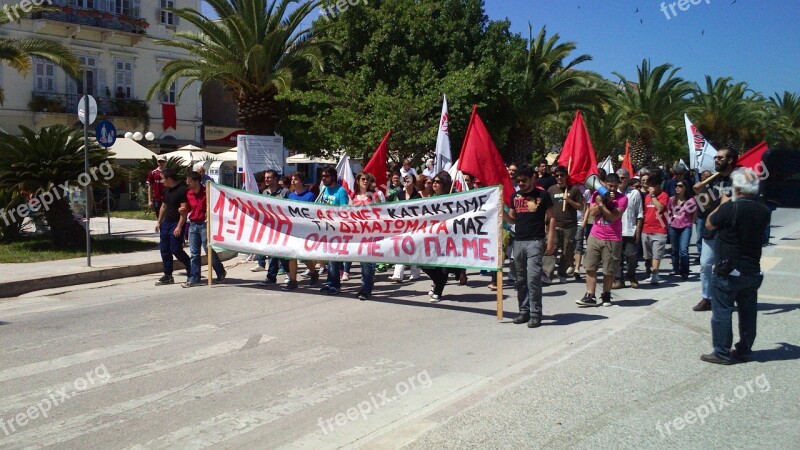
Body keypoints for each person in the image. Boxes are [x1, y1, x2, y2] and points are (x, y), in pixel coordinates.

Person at [701, 168, 770, 365]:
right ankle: (745, 349)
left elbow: (709, 224)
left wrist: (723, 203)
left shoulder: (730, 208)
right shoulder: (763, 210)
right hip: (752, 269)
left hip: (728, 268)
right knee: (748, 312)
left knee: (722, 311)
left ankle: (721, 352)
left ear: (737, 188)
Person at [504, 164, 555, 328]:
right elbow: (512, 219)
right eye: (518, 181)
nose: (521, 184)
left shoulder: (543, 195)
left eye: (524, 180)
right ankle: (523, 311)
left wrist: (551, 238)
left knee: (533, 278)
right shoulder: (515, 196)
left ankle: (535, 314)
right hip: (518, 242)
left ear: (532, 178)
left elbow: (552, 218)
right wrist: (502, 212)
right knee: (520, 280)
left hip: (535, 241)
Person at [692, 148, 736, 312]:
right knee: (705, 265)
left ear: (730, 160)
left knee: (726, 266)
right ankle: (707, 298)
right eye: (715, 157)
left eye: (720, 157)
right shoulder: (713, 180)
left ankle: (727, 296)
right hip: (711, 231)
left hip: (728, 231)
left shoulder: (738, 179)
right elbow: (705, 206)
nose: (716, 160)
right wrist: (700, 193)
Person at [576, 173, 627, 307]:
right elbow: (592, 213)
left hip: (613, 238)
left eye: (615, 186)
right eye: (610, 186)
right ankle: (590, 295)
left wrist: (602, 204)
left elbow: (613, 217)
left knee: (609, 270)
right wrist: (601, 202)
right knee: (590, 266)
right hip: (595, 235)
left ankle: (606, 294)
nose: (612, 189)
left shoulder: (623, 199)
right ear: (605, 184)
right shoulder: (596, 194)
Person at [181, 171, 226, 287]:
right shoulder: (188, 194)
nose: (187, 183)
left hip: (205, 225)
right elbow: (187, 208)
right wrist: (182, 210)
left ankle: (220, 271)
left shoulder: (207, 192)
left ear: (196, 181)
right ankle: (194, 278)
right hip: (193, 225)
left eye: (189, 181)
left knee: (209, 251)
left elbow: (215, 206)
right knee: (194, 253)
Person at [543, 165, 583, 283]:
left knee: (567, 250)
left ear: (566, 176)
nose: (559, 178)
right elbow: (547, 208)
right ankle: (547, 274)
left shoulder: (574, 189)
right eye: (557, 176)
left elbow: (581, 207)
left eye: (562, 175)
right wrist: (545, 222)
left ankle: (562, 273)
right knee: (551, 248)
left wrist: (569, 201)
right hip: (554, 225)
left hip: (569, 225)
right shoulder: (551, 190)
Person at [421, 171, 455, 302]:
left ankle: (438, 290)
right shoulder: (430, 198)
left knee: (443, 267)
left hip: (447, 236)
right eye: (433, 181)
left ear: (445, 184)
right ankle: (437, 282)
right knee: (424, 263)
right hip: (431, 236)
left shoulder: (452, 198)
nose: (434, 183)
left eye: (438, 182)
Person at [154, 168, 191, 286]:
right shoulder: (166, 191)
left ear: (169, 179)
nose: (161, 181)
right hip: (166, 223)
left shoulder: (181, 190)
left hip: (176, 223)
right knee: (164, 250)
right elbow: (164, 206)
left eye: (162, 179)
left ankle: (191, 267)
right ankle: (168, 275)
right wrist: (159, 221)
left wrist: (179, 226)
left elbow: (184, 211)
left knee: (176, 249)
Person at [283, 172, 318, 290]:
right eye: (292, 179)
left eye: (296, 179)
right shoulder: (291, 196)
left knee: (304, 256)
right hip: (293, 229)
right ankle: (293, 281)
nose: (293, 181)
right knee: (292, 255)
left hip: (305, 230)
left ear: (302, 181)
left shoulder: (310, 196)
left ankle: (313, 272)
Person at [318, 165, 350, 295]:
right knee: (328, 257)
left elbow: (344, 210)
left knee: (333, 259)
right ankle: (330, 282)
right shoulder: (323, 189)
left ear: (333, 177)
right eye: (322, 176)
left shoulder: (340, 191)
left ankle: (335, 285)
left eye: (326, 176)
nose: (323, 179)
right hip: (325, 228)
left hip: (336, 229)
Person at [350, 172, 380, 300]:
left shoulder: (374, 195)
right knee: (363, 262)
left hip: (371, 232)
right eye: (363, 179)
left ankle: (367, 289)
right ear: (357, 181)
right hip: (357, 233)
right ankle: (365, 286)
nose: (365, 181)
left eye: (367, 179)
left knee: (368, 262)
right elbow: (348, 213)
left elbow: (380, 212)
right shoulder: (353, 196)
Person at [259, 170, 291, 285]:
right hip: (270, 228)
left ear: (275, 179)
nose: (266, 179)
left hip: (283, 228)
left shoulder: (285, 192)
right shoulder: (264, 193)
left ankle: (289, 273)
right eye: (265, 177)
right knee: (272, 252)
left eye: (269, 177)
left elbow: (290, 209)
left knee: (282, 253)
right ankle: (271, 276)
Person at [613, 168, 643, 289]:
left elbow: (639, 214)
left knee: (631, 256)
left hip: (630, 230)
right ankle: (618, 279)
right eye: (618, 178)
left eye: (623, 178)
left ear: (628, 179)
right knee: (616, 257)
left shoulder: (635, 193)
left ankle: (631, 275)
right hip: (615, 230)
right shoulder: (612, 194)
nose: (621, 180)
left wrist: (638, 231)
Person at [390, 173, 422, 283]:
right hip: (402, 226)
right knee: (400, 247)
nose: (406, 181)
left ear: (413, 182)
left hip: (414, 226)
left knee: (414, 248)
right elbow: (395, 208)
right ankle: (398, 274)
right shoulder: (399, 194)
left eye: (409, 179)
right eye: (405, 179)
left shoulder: (417, 196)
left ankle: (415, 272)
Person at [641, 172, 669, 285]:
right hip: (646, 229)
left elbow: (660, 208)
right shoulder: (646, 197)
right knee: (648, 255)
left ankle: (654, 274)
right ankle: (654, 273)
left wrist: (653, 196)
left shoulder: (663, 195)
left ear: (658, 186)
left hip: (659, 230)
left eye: (652, 186)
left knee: (657, 254)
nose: (650, 188)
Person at [667, 179, 697, 279]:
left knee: (684, 249)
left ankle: (685, 271)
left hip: (686, 226)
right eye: (676, 186)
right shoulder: (672, 199)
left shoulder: (691, 201)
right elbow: (669, 211)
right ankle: (675, 269)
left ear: (685, 188)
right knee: (674, 249)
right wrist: (669, 222)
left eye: (680, 186)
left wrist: (690, 223)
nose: (677, 187)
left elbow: (694, 214)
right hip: (673, 226)